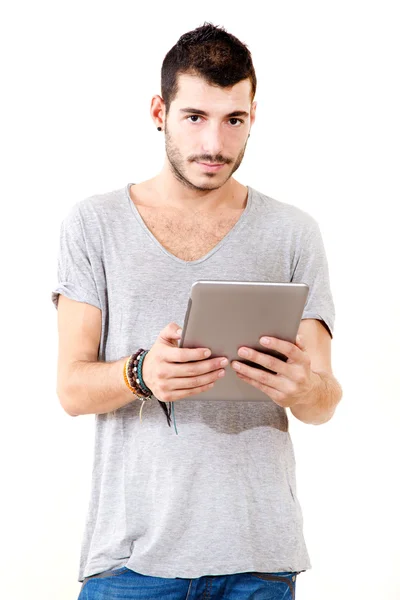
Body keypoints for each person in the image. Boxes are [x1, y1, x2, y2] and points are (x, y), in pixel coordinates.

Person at [52, 21, 342, 600]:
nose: (214, 144)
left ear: (253, 116)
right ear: (160, 110)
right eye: (195, 117)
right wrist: (142, 374)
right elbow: (71, 388)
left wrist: (301, 386)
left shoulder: (293, 233)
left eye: (233, 120)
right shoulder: (94, 224)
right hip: (130, 564)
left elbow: (325, 399)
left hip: (258, 559)